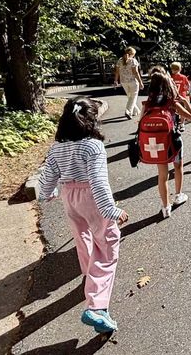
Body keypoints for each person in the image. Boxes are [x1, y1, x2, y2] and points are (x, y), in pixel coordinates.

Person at [38, 97, 128, 333]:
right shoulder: (92, 146)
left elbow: (48, 177)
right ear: (91, 120)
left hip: (70, 197)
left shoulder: (56, 147)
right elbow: (99, 183)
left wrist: (46, 194)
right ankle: (97, 306)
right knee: (107, 248)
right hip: (91, 198)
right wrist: (111, 210)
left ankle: (90, 276)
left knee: (83, 239)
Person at [142, 72, 191, 217]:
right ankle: (178, 195)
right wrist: (184, 101)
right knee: (178, 167)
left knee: (162, 175)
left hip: (157, 143)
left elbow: (140, 123)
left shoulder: (148, 103)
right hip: (173, 141)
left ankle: (165, 207)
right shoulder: (171, 102)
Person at [114, 47, 144, 119]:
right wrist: (140, 82)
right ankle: (128, 111)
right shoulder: (133, 61)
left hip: (123, 82)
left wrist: (115, 81)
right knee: (133, 98)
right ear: (132, 54)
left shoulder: (120, 60)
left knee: (130, 97)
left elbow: (117, 72)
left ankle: (136, 111)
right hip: (133, 81)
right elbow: (136, 73)